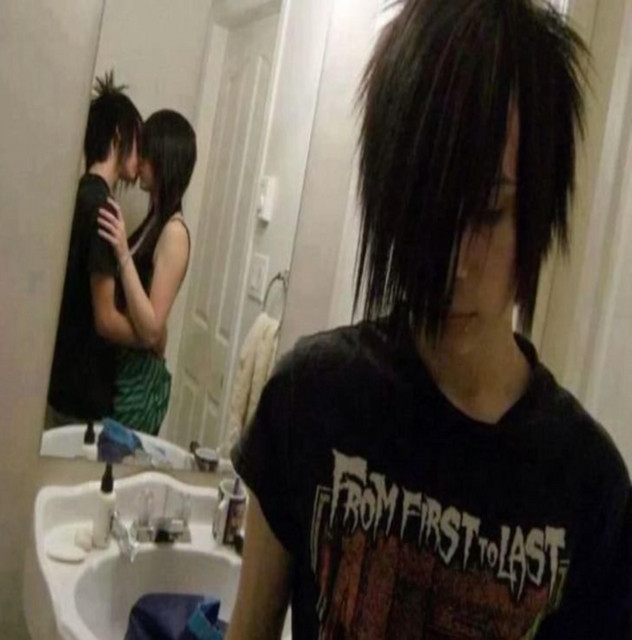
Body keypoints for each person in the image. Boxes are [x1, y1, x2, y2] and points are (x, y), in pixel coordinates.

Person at [227, 1, 632, 638]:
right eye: (429, 210)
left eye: (489, 212)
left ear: (538, 207)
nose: (453, 265)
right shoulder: (309, 398)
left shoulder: (590, 488)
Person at [47, 72, 148, 426]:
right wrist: (148, 338)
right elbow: (105, 320)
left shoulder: (78, 194)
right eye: (138, 142)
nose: (141, 159)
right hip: (84, 388)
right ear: (119, 136)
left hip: (61, 376)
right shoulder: (103, 209)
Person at [97, 109, 196, 434]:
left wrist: (122, 253)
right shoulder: (156, 219)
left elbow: (152, 330)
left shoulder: (175, 232)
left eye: (147, 152)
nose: (138, 160)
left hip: (137, 386)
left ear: (164, 159)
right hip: (122, 374)